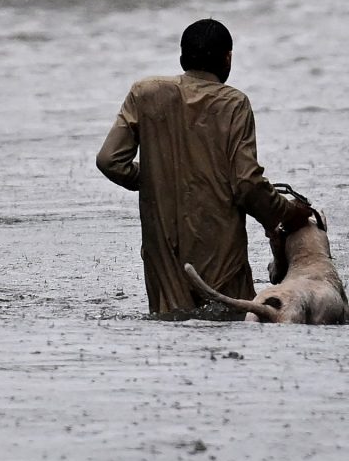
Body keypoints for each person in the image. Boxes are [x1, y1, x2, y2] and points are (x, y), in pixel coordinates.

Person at [96, 18, 313, 315]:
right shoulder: (234, 104)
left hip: (164, 257)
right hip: (222, 258)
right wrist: (290, 213)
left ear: (182, 56)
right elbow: (247, 185)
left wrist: (156, 178)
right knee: (229, 325)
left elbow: (109, 160)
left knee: (171, 332)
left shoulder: (144, 94)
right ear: (228, 59)